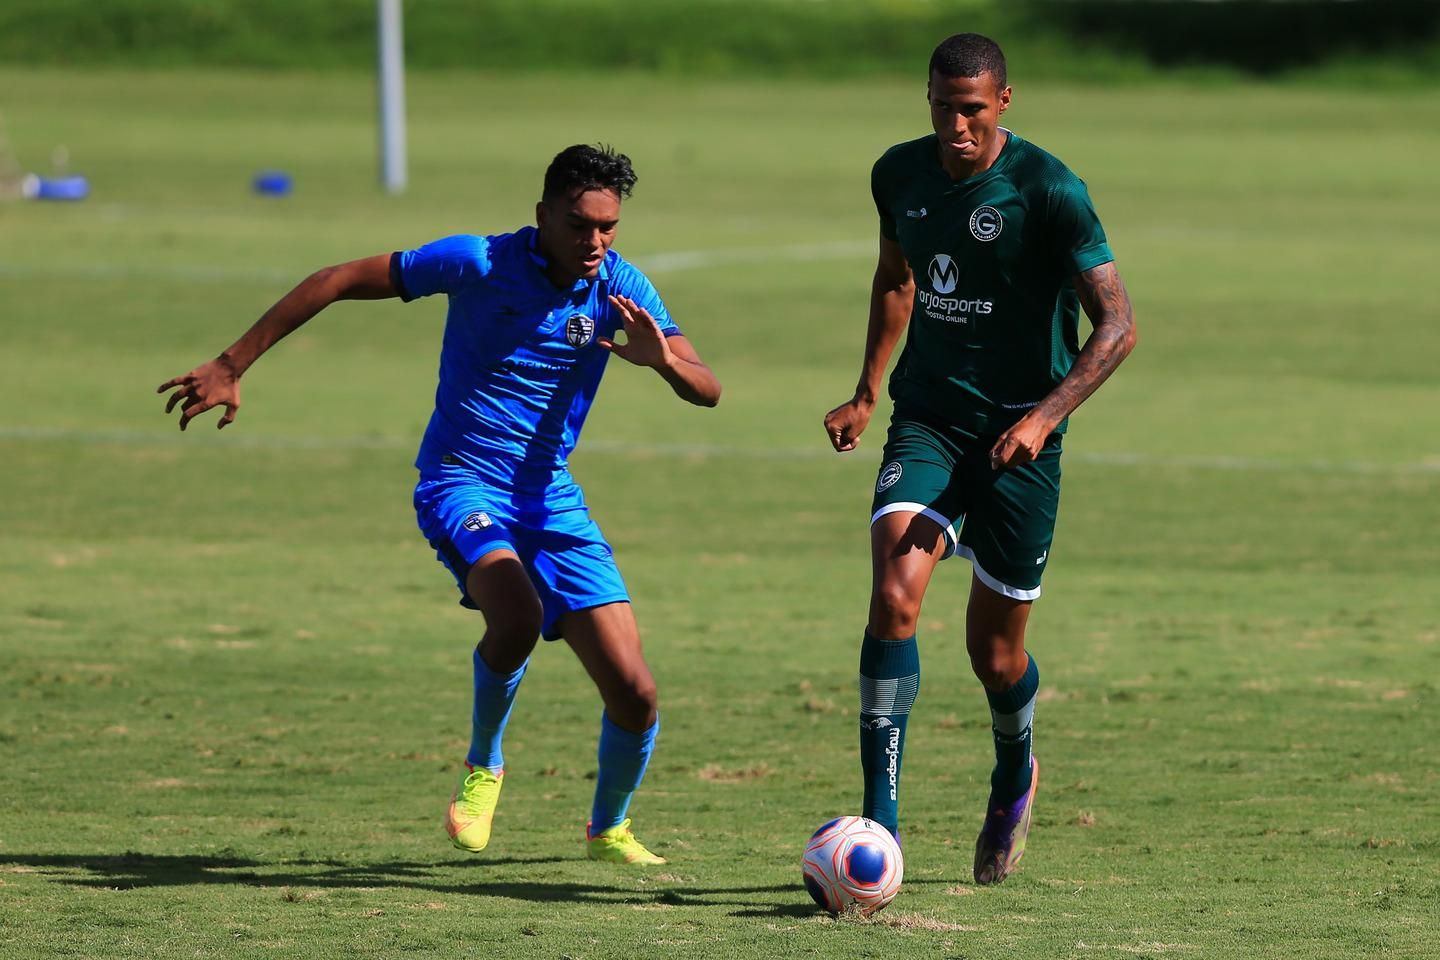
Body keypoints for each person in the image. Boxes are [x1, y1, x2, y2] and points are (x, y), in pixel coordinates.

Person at [158, 144, 721, 866]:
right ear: (544, 214)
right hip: (462, 481)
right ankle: (484, 765)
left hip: (552, 501)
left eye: (609, 227)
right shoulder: (475, 262)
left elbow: (708, 388)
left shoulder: (620, 288)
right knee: (514, 613)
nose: (596, 242)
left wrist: (662, 360)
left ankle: (606, 831)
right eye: (581, 224)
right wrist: (232, 363)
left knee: (637, 695)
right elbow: (335, 280)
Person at [823, 34, 1137, 885]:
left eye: (973, 109)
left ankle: (1014, 764)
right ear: (925, 97)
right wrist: (866, 391)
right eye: (942, 106)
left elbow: (1118, 326)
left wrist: (1044, 417)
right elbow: (897, 279)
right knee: (894, 593)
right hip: (930, 422)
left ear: (1004, 103)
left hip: (1020, 443)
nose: (956, 124)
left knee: (995, 657)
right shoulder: (898, 174)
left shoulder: (1048, 189)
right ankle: (879, 828)